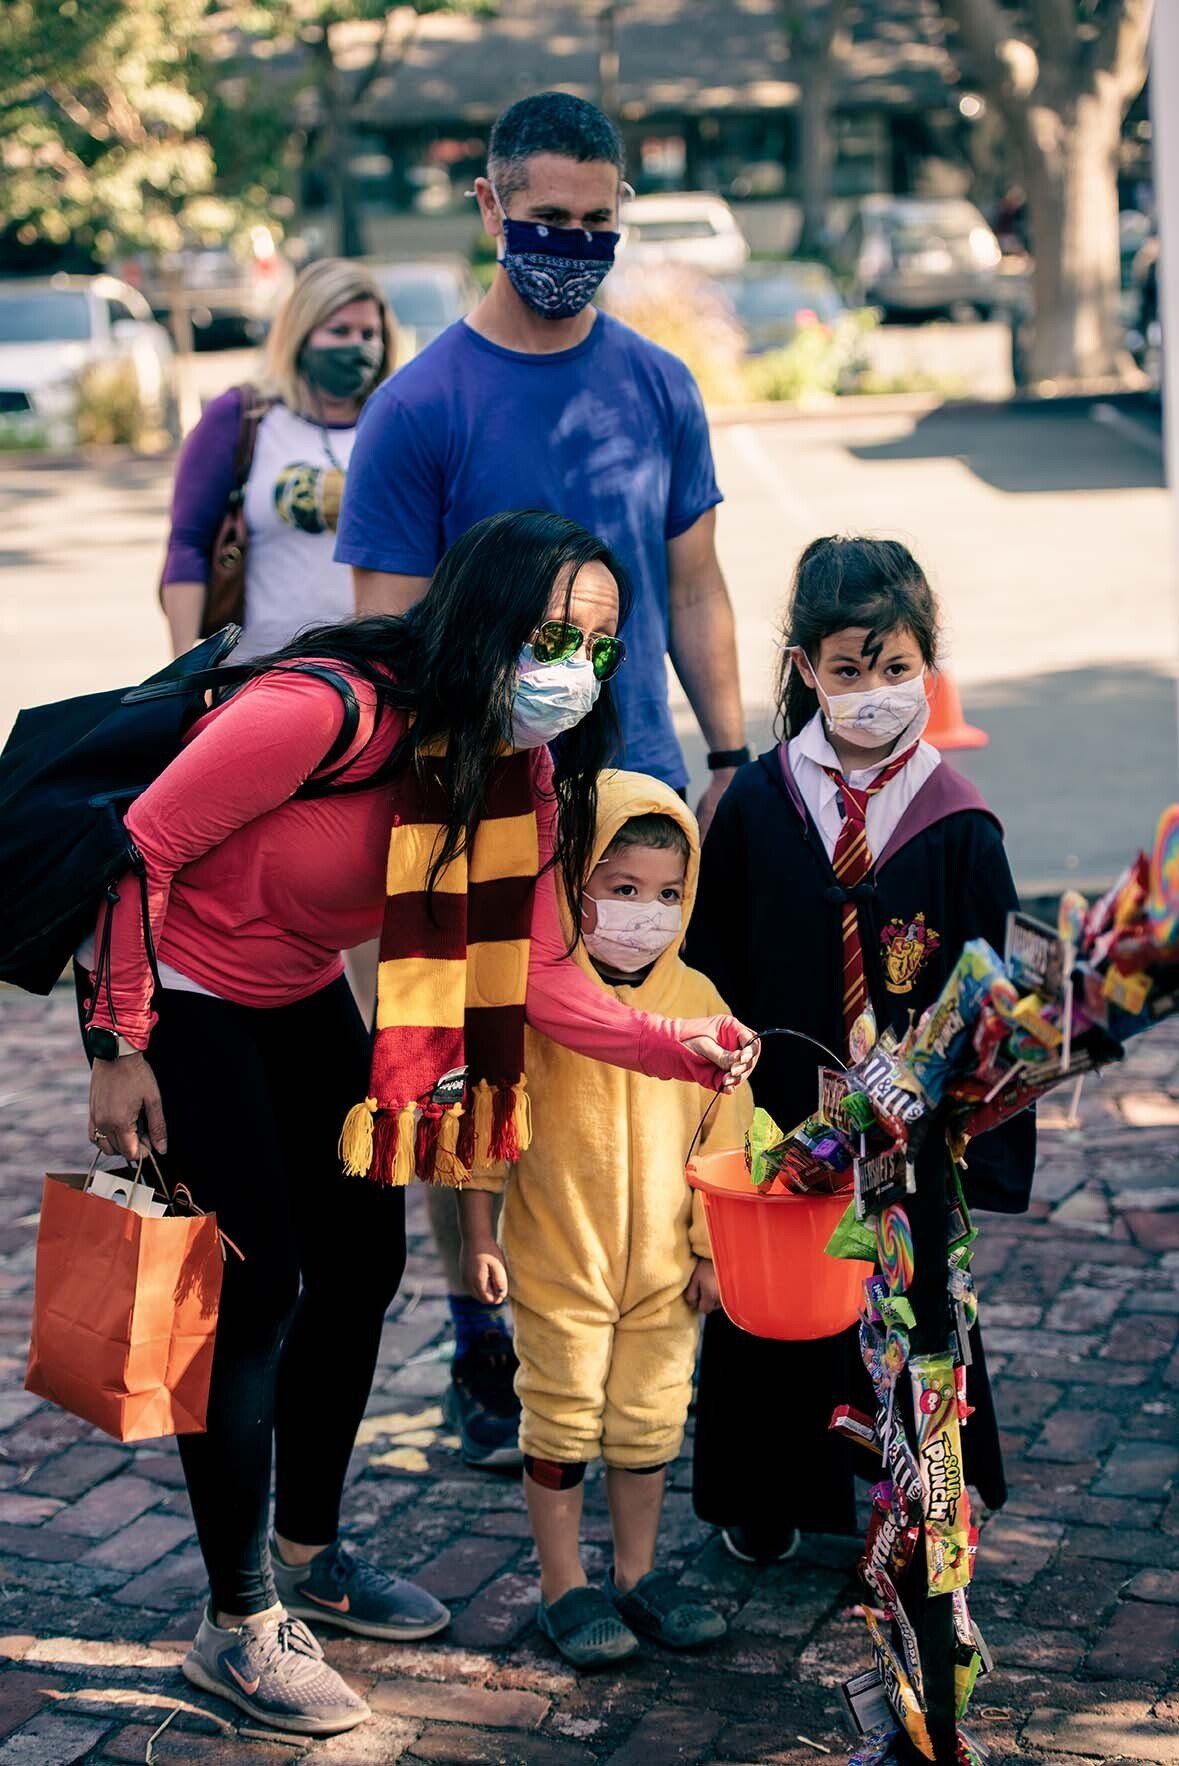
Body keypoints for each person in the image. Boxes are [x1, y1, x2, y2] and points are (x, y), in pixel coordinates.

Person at [79, 509, 757, 1739]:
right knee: (254, 1286)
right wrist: (116, 1042)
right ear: (488, 617)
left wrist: (680, 1042)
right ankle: (236, 1620)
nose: (575, 668)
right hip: (181, 982)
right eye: (555, 634)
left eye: (600, 646)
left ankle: (309, 1552)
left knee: (364, 1258)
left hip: (293, 983)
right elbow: (139, 849)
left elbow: (542, 974)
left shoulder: (513, 766)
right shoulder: (327, 710)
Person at [334, 90, 749, 1465]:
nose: (571, 243)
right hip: (478, 802)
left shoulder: (656, 384)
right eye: (547, 218)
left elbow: (695, 585)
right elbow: (390, 636)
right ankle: (482, 1334)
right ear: (490, 207)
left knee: (635, 1056)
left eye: (596, 221)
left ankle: (636, 1318)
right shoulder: (419, 408)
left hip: (636, 789)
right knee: (473, 1068)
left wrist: (727, 752)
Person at [686, 536, 1036, 1565]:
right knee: (776, 1299)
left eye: (895, 667)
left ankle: (920, 1504)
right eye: (847, 669)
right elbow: (713, 965)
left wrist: (978, 1128)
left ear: (927, 663)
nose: (874, 690)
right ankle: (767, 1490)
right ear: (805, 668)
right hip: (786, 1109)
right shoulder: (759, 806)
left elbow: (995, 993)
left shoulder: (957, 823)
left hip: (910, 1127)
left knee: (915, 1301)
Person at [457, 772, 751, 1668]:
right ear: (570, 885)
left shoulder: (700, 1001)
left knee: (650, 1418)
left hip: (667, 1270)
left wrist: (712, 1252)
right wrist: (477, 1233)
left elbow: (727, 1140)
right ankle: (563, 1585)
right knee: (558, 1416)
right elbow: (486, 1119)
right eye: (621, 888)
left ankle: (636, 1574)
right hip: (557, 1261)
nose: (645, 912)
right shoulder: (534, 998)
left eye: (666, 894)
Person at [160, 258, 396, 660]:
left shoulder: (398, 423)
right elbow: (188, 543)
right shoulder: (241, 416)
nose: (357, 346)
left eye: (369, 333)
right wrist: (184, 668)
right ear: (300, 335)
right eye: (339, 331)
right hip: (258, 672)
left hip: (372, 674)